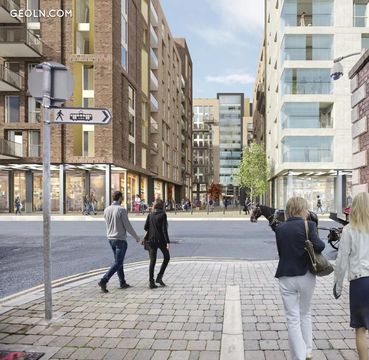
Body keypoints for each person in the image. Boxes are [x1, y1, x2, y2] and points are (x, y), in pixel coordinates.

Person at [275, 196, 325, 360]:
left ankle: (300, 355)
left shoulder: (279, 228)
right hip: (306, 275)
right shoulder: (309, 225)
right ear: (303, 209)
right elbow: (320, 246)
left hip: (286, 276)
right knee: (305, 313)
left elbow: (281, 252)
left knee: (292, 318)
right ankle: (307, 351)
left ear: (289, 210)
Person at [334, 192, 369, 360]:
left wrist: (338, 286)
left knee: (361, 330)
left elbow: (341, 261)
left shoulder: (348, 230)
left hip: (360, 282)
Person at [98, 191, 141, 293]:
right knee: (118, 262)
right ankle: (104, 280)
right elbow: (128, 226)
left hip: (110, 239)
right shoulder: (121, 210)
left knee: (118, 261)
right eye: (122, 197)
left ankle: (122, 282)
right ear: (120, 198)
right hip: (120, 239)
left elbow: (107, 224)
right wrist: (137, 238)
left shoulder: (106, 209)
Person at [144, 200, 170, 289]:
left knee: (152, 261)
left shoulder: (150, 215)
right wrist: (168, 242)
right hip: (161, 240)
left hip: (151, 240)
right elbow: (164, 230)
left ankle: (151, 282)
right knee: (167, 257)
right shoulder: (163, 215)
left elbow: (145, 227)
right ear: (161, 206)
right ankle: (159, 277)